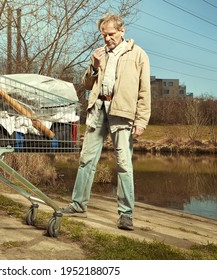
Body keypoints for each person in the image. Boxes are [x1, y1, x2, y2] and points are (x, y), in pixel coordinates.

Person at [60, 13, 151, 230]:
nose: (107, 38)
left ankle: (126, 214)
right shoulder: (100, 54)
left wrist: (142, 121)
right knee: (86, 160)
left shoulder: (138, 55)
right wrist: (94, 65)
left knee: (124, 165)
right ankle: (78, 205)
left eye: (111, 34)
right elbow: (88, 84)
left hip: (122, 114)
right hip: (98, 109)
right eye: (104, 35)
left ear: (122, 31)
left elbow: (144, 91)